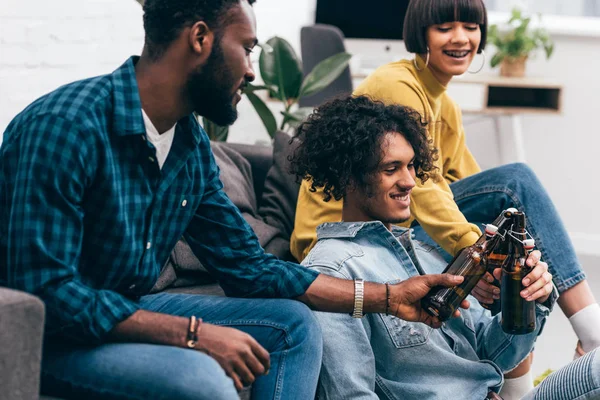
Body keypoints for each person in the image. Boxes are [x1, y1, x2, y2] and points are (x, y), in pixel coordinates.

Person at [0, 1, 469, 398]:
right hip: (49, 336)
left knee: (293, 324)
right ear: (200, 38)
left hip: (126, 306)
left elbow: (250, 268)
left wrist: (389, 298)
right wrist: (193, 334)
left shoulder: (187, 143)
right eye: (246, 48)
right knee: (200, 375)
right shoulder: (64, 128)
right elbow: (45, 294)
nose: (250, 69)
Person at [291, 0, 600, 395]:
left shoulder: (444, 105)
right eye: (445, 27)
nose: (461, 38)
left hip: (399, 237)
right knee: (515, 183)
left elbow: (470, 183)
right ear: (421, 34)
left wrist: (521, 287)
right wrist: (476, 248)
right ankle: (592, 332)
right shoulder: (395, 88)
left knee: (509, 214)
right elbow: (430, 191)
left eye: (471, 26)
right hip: (342, 234)